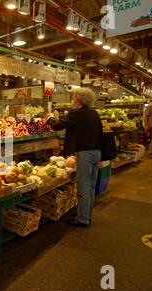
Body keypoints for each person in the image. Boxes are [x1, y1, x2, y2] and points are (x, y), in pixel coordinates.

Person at [47, 88, 103, 228]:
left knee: (83, 187)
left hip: (84, 153)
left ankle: (82, 219)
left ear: (78, 99)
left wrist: (49, 118)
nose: (73, 99)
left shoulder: (76, 113)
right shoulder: (94, 114)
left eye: (74, 97)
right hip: (97, 152)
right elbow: (100, 134)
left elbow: (58, 125)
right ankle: (86, 215)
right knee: (91, 186)